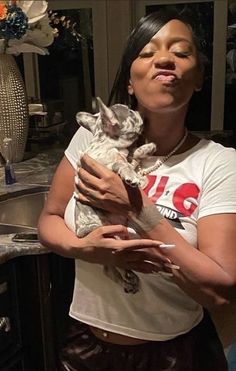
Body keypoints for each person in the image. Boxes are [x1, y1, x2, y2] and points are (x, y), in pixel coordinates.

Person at [37, 8, 236, 371]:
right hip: (85, 345)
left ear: (199, 78)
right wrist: (86, 249)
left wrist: (138, 209)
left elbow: (221, 292)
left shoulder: (218, 162)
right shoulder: (92, 137)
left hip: (174, 354)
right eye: (147, 52)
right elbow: (49, 219)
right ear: (130, 80)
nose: (164, 59)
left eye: (181, 51)